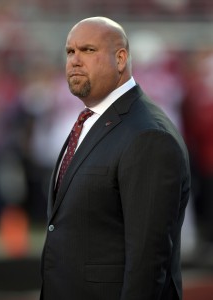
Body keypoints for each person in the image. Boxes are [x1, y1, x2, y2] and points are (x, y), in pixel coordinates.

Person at [40, 17, 190, 300]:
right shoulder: (90, 120)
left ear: (120, 58)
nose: (75, 60)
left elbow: (149, 260)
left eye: (88, 50)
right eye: (70, 52)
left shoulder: (148, 135)